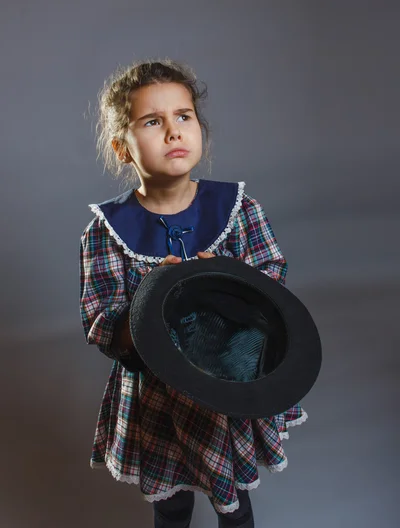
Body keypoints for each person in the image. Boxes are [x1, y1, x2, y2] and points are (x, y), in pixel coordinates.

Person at [79, 59, 308, 528]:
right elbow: (100, 319)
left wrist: (228, 276)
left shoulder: (237, 208)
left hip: (231, 380)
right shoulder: (105, 231)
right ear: (123, 148)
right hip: (158, 399)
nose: (173, 132)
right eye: (153, 121)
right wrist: (149, 301)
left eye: (183, 116)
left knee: (236, 503)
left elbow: (272, 277)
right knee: (172, 505)